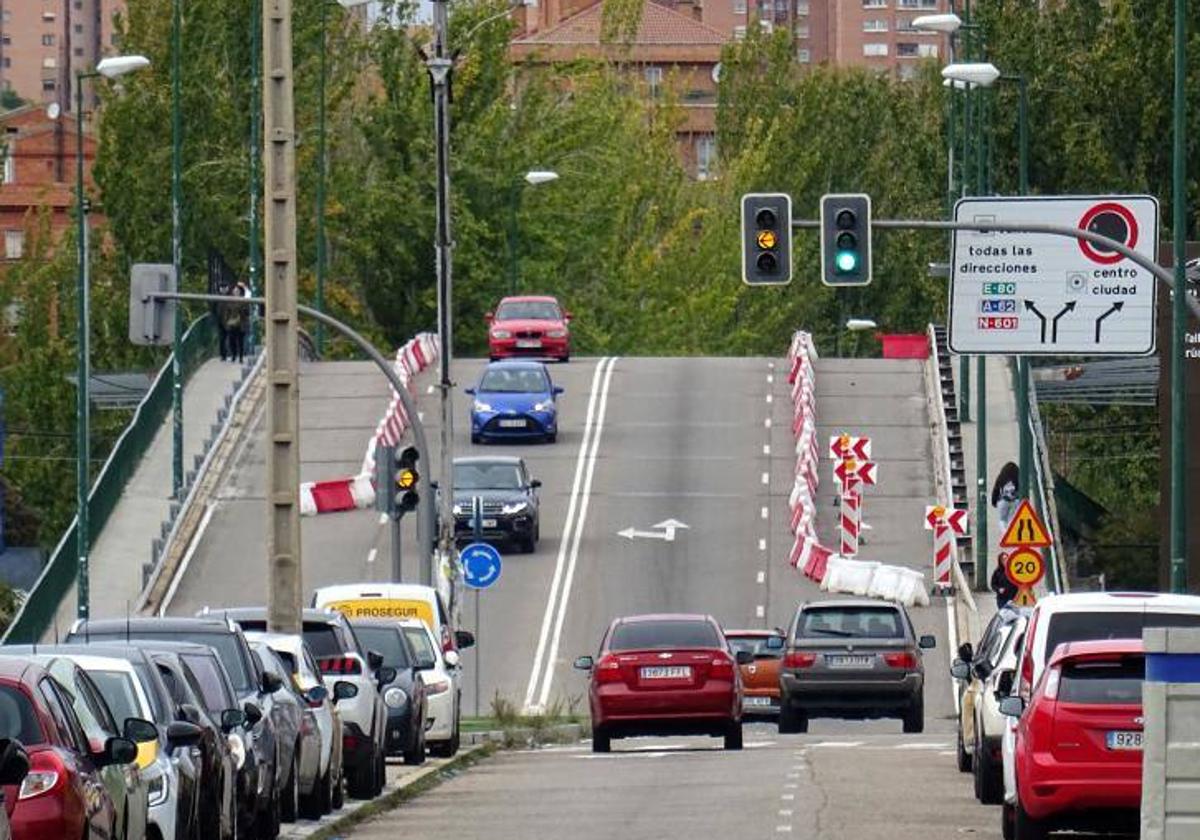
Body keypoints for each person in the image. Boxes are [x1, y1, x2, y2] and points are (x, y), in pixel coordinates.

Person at [991, 461, 1019, 530]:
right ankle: (1011, 534)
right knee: (1012, 519)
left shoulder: (1001, 476)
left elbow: (996, 489)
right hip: (1015, 501)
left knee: (1002, 520)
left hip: (1003, 501)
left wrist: (994, 501)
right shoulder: (1017, 476)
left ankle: (1005, 535)